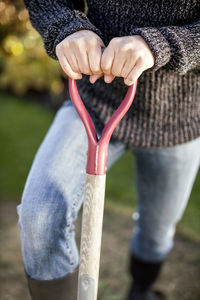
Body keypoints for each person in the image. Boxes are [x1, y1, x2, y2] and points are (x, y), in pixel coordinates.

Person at [16, 0, 200, 299]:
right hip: (95, 105)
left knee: (157, 232)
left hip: (177, 119)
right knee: (41, 217)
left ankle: (141, 290)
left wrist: (160, 44)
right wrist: (67, 28)